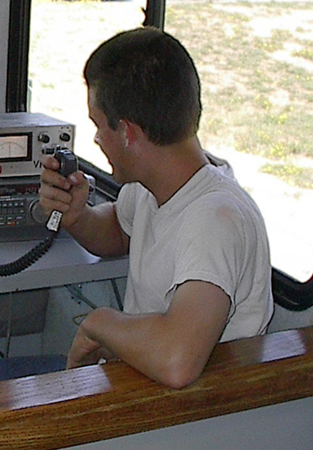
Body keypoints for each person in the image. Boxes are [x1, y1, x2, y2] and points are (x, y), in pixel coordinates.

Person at [38, 27, 273, 389]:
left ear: (129, 132)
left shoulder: (215, 221)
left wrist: (98, 322)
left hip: (182, 421)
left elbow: (177, 361)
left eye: (98, 126)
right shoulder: (154, 187)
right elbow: (117, 232)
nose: (98, 139)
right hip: (138, 382)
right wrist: (78, 217)